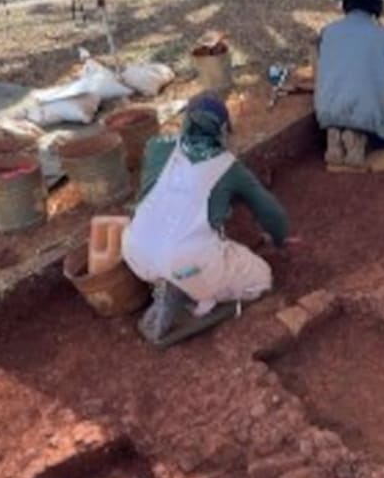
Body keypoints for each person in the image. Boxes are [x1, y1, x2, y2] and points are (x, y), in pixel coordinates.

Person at [123, 94, 293, 346]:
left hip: (136, 252)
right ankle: (197, 300)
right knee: (260, 278)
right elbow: (272, 215)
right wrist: (280, 239)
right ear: (222, 130)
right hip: (186, 262)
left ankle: (168, 281)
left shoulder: (156, 146)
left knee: (178, 252)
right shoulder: (230, 168)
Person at [315, 0, 384, 167]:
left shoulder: (327, 32)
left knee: (346, 110)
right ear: (375, 7)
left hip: (325, 111)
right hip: (365, 113)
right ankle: (357, 138)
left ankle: (335, 136)